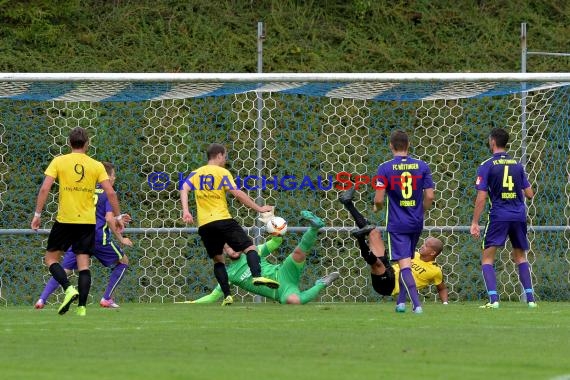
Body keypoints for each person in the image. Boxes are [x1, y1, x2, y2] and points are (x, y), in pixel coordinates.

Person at [31, 127, 124, 317]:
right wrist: (118, 217)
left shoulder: (59, 161)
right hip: (87, 223)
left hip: (65, 219)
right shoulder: (96, 165)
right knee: (84, 265)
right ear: (87, 144)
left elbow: (44, 189)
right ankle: (81, 308)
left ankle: (68, 288)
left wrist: (37, 214)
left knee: (50, 259)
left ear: (69, 143)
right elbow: (111, 192)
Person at [180, 143, 278, 306]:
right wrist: (259, 208)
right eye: (225, 156)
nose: (225, 160)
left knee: (219, 261)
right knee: (250, 248)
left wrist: (186, 211)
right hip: (223, 219)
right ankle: (256, 276)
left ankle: (227, 296)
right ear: (219, 155)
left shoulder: (195, 173)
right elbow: (237, 194)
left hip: (204, 225)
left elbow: (183, 188)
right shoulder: (222, 172)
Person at [178, 210, 340, 305]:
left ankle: (314, 227)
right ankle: (321, 283)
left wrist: (271, 224)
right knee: (294, 301)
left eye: (233, 245)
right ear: (224, 252)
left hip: (282, 273)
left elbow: (276, 242)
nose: (232, 249)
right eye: (227, 248)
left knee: (298, 253)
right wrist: (193, 303)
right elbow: (213, 296)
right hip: (280, 291)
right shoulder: (229, 275)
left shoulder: (255, 252)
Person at [339, 188, 448, 306]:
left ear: (432, 253)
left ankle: (360, 238)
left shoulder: (435, 271)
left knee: (377, 263)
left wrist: (445, 304)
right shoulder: (413, 254)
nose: (422, 246)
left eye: (426, 246)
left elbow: (441, 288)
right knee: (374, 233)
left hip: (388, 286)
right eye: (424, 243)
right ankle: (347, 202)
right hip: (389, 270)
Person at [470, 127, 537, 309]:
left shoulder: (486, 165)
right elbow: (530, 194)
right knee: (520, 257)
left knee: (487, 259)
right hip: (518, 216)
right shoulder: (517, 165)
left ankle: (494, 300)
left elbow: (482, 197)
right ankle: (531, 300)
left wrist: (475, 222)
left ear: (492, 142)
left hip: (499, 215)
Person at [373, 130, 435, 314]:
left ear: (391, 146)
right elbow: (430, 195)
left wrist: (377, 207)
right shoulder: (422, 166)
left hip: (397, 223)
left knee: (404, 264)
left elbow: (378, 199)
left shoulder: (385, 168)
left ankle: (417, 305)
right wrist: (421, 210)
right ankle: (401, 303)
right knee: (405, 260)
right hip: (416, 222)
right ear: (408, 145)